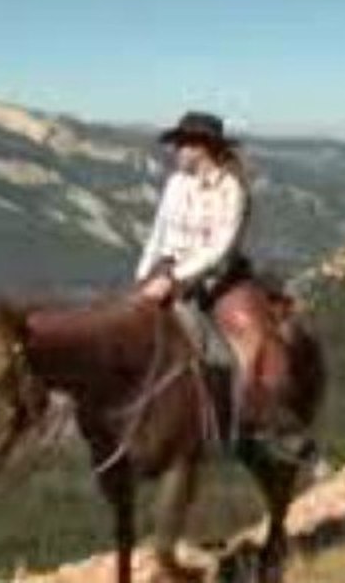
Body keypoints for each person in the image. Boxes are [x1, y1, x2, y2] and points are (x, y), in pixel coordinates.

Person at [135, 111, 250, 443]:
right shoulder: (176, 183)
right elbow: (158, 232)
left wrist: (174, 281)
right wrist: (143, 275)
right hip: (166, 269)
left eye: (183, 145)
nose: (177, 151)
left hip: (209, 276)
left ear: (204, 148)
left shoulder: (231, 190)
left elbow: (219, 249)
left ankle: (218, 420)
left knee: (207, 344)